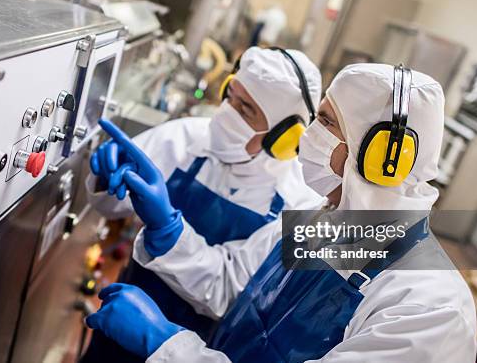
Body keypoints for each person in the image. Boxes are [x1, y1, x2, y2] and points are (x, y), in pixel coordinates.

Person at [85, 64, 477, 362]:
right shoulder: (316, 221)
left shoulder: (429, 307)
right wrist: (166, 226)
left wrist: (166, 345)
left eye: (326, 123)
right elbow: (228, 283)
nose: (309, 136)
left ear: (383, 158)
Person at [82, 47, 324, 361]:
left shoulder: (298, 204)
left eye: (246, 108)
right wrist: (105, 177)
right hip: (122, 318)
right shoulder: (186, 137)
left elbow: (230, 293)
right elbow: (109, 207)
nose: (227, 112)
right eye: (230, 95)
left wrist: (168, 229)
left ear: (284, 137)